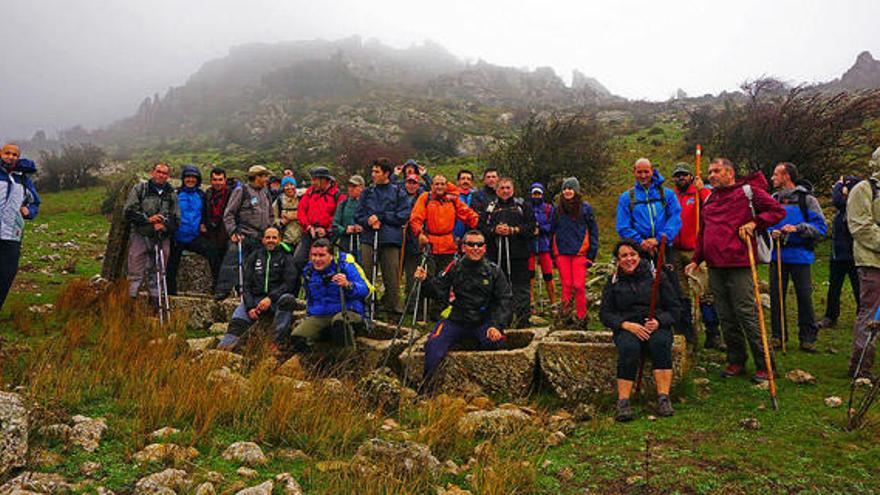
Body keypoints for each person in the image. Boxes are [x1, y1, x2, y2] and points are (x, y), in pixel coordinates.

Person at [686, 158, 785, 383]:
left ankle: (765, 364)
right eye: (710, 172)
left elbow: (777, 211)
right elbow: (704, 232)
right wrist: (696, 259)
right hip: (715, 266)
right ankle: (736, 360)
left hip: (739, 264)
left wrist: (755, 223)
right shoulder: (710, 199)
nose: (711, 175)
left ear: (730, 173)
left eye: (716, 171)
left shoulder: (749, 193)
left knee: (747, 313)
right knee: (725, 315)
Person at [414, 229, 512, 393]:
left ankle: (491, 391)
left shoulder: (494, 271)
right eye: (471, 244)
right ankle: (426, 391)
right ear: (463, 247)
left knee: (496, 342)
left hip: (483, 321)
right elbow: (438, 290)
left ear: (485, 248)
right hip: (456, 319)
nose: (475, 248)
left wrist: (496, 325)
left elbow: (505, 300)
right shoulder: (455, 267)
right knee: (433, 345)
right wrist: (424, 280)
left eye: (479, 244)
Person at [601, 239, 680, 421]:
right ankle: (623, 402)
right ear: (618, 260)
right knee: (629, 348)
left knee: (661, 343)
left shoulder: (656, 276)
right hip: (628, 327)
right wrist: (625, 325)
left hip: (654, 325)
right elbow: (605, 314)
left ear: (639, 256)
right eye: (624, 256)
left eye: (633, 254)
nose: (629, 259)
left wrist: (659, 321)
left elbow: (675, 309)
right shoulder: (613, 282)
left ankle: (663, 398)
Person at [616, 158, 687, 344]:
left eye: (646, 172)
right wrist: (641, 242)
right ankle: (643, 329)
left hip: (665, 248)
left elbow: (675, 218)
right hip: (640, 252)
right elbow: (623, 226)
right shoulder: (627, 198)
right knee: (643, 290)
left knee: (673, 289)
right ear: (634, 172)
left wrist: (661, 238)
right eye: (639, 172)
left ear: (652, 171)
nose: (643, 176)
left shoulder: (667, 194)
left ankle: (682, 332)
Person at [768, 162, 828, 352]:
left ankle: (807, 338)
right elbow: (766, 223)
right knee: (776, 297)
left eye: (776, 175)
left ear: (786, 176)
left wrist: (798, 228)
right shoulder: (773, 199)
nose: (772, 178)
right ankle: (778, 336)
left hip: (801, 256)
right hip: (777, 255)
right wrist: (772, 232)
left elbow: (821, 228)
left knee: (804, 297)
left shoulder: (807, 200)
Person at [409, 174, 480, 318]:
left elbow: (467, 213)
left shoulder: (453, 200)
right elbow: (416, 217)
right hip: (430, 242)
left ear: (447, 185)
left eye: (443, 184)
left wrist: (478, 222)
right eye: (437, 184)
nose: (440, 187)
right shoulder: (425, 197)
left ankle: (439, 310)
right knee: (427, 277)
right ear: (432, 185)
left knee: (446, 278)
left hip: (448, 244)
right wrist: (419, 234)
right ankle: (422, 310)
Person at [217, 226, 297, 353]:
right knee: (237, 320)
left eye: (274, 238)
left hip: (276, 301)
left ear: (280, 239)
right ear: (263, 240)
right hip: (255, 299)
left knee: (289, 300)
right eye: (268, 237)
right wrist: (249, 307)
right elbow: (246, 284)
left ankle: (274, 342)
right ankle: (226, 345)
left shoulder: (286, 257)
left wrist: (270, 298)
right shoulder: (255, 256)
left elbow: (289, 283)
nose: (271, 240)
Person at [288, 238, 372, 353]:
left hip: (348, 311)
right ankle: (316, 366)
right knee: (298, 337)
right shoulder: (309, 271)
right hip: (321, 314)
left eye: (322, 255)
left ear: (331, 255)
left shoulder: (345, 266)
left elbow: (366, 290)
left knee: (339, 323)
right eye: (314, 255)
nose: (317, 259)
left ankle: (348, 362)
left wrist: (348, 285)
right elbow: (309, 297)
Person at [671, 164, 722, 350]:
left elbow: (714, 206)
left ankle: (712, 333)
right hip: (675, 251)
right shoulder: (671, 196)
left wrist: (701, 191)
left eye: (684, 175)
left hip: (697, 250)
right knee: (681, 293)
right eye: (677, 176)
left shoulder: (700, 193)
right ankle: (686, 333)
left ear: (691, 176)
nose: (681, 178)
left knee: (705, 292)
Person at [356, 158, 411, 316]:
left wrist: (381, 217)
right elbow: (358, 215)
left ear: (386, 173)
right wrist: (368, 220)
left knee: (391, 276)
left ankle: (393, 307)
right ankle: (367, 305)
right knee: (366, 274)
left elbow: (403, 215)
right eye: (372, 171)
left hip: (390, 240)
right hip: (368, 238)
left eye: (377, 171)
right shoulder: (367, 192)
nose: (373, 174)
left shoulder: (398, 192)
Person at [478, 177, 536, 327]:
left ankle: (523, 321)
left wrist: (513, 230)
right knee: (496, 289)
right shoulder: (490, 207)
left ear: (513, 189)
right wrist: (494, 230)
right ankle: (498, 321)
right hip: (496, 256)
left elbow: (532, 227)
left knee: (521, 289)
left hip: (519, 255)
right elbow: (481, 228)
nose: (505, 191)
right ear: (497, 190)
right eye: (502, 188)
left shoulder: (523, 206)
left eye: (508, 188)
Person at [214, 165, 273, 299]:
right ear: (256, 177)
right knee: (232, 262)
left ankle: (252, 293)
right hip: (243, 234)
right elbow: (229, 214)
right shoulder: (241, 191)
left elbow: (270, 214)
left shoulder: (266, 192)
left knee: (255, 267)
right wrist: (233, 231)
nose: (266, 179)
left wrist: (270, 229)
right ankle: (222, 291)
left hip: (260, 236)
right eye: (264, 176)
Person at [124, 162, 180, 301]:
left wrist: (164, 225)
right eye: (158, 171)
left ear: (168, 176)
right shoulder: (140, 189)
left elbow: (176, 218)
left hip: (162, 238)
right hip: (141, 235)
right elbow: (128, 212)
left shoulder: (171, 193)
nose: (161, 175)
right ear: (152, 172)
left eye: (164, 173)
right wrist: (148, 220)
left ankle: (155, 304)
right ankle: (129, 304)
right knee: (135, 272)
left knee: (158, 273)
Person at [847, 147, 880, 378]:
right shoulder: (864, 189)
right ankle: (861, 366)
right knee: (871, 313)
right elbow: (861, 226)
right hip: (872, 262)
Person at [551, 177, 598, 325]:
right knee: (566, 285)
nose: (567, 191)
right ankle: (565, 317)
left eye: (570, 188)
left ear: (576, 191)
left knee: (578, 286)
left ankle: (581, 317)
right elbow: (552, 231)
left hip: (580, 252)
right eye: (565, 188)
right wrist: (552, 254)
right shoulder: (557, 210)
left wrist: (592, 254)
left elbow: (593, 231)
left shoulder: (585, 208)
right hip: (562, 252)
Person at [293, 166, 345, 295]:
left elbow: (338, 216)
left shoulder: (337, 195)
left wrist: (326, 230)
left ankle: (323, 291)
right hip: (309, 232)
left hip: (327, 236)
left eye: (315, 180)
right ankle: (303, 288)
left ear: (324, 180)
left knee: (323, 263)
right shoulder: (310, 193)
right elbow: (301, 211)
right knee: (298, 259)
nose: (313, 183)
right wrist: (308, 226)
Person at [0, 144, 40, 310]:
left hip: (12, 235)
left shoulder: (23, 180)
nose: (10, 157)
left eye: (14, 154)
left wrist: (28, 211)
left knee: (6, 275)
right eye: (7, 153)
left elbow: (35, 203)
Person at [819, 176, 862, 329]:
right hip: (838, 254)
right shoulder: (840, 212)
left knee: (859, 288)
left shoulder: (854, 206)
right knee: (834, 288)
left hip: (853, 254)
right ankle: (830, 316)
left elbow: (836, 200)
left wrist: (837, 185)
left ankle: (862, 317)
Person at [166, 165, 213, 295]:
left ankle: (216, 289)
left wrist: (204, 224)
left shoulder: (201, 195)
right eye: (188, 177)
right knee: (171, 266)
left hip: (194, 237)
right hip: (176, 237)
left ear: (197, 180)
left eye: (193, 177)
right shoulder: (175, 194)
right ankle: (170, 294)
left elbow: (206, 213)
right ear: (183, 178)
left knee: (213, 253)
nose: (190, 180)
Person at [401, 173, 427, 318]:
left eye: (414, 183)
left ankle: (414, 304)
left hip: (416, 241)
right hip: (402, 240)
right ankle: (406, 302)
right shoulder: (400, 195)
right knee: (401, 273)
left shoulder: (423, 198)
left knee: (415, 274)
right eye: (409, 182)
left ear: (418, 185)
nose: (411, 185)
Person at [529, 182, 557, 315]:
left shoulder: (548, 208)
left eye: (538, 193)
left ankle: (553, 303)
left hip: (544, 245)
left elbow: (552, 225)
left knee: (548, 274)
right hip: (529, 245)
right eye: (534, 193)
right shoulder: (526, 207)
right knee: (530, 275)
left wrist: (540, 228)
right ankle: (531, 303)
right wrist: (530, 229)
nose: (536, 196)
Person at [202, 167, 232, 287]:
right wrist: (203, 223)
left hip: (226, 232)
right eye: (214, 180)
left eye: (220, 180)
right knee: (213, 259)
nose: (217, 183)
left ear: (225, 180)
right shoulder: (208, 193)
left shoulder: (231, 194)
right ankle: (216, 285)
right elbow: (204, 211)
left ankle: (225, 287)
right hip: (211, 232)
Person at [332, 175, 366, 263]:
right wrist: (345, 230)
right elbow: (335, 224)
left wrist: (363, 228)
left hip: (363, 244)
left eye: (354, 186)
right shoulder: (343, 204)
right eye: (349, 186)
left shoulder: (368, 204)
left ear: (362, 187)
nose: (351, 189)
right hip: (345, 243)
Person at [273, 176, 301, 249]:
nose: (289, 188)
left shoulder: (302, 198)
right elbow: (272, 218)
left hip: (301, 239)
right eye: (286, 185)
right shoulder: (279, 201)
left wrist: (296, 216)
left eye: (291, 184)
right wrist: (281, 222)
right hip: (285, 239)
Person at [453, 169, 476, 242]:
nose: (466, 181)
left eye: (468, 179)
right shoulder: (452, 196)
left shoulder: (477, 195)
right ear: (458, 181)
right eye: (463, 178)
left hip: (473, 235)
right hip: (455, 236)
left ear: (472, 182)